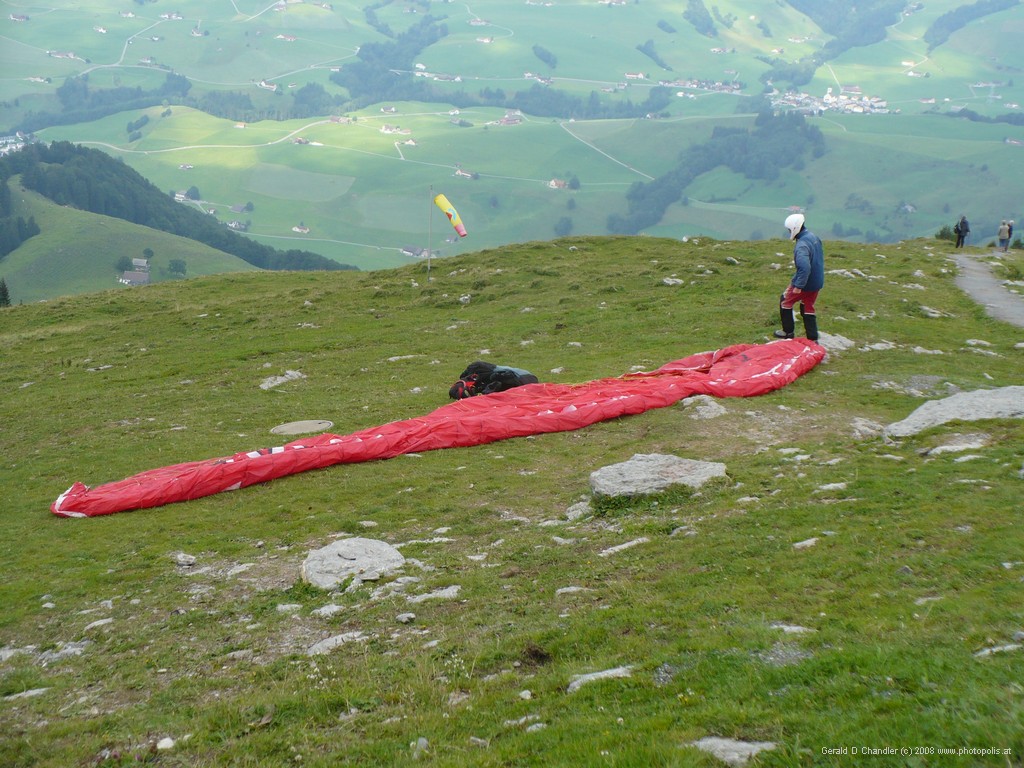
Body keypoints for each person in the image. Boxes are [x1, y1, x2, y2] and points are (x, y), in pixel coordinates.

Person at [773, 213, 824, 342]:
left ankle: (787, 332)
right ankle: (813, 339)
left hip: (805, 283)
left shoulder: (801, 245)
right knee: (808, 306)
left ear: (794, 228)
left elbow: (804, 267)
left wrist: (798, 286)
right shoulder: (814, 237)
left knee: (785, 301)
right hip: (817, 281)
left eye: (789, 229)